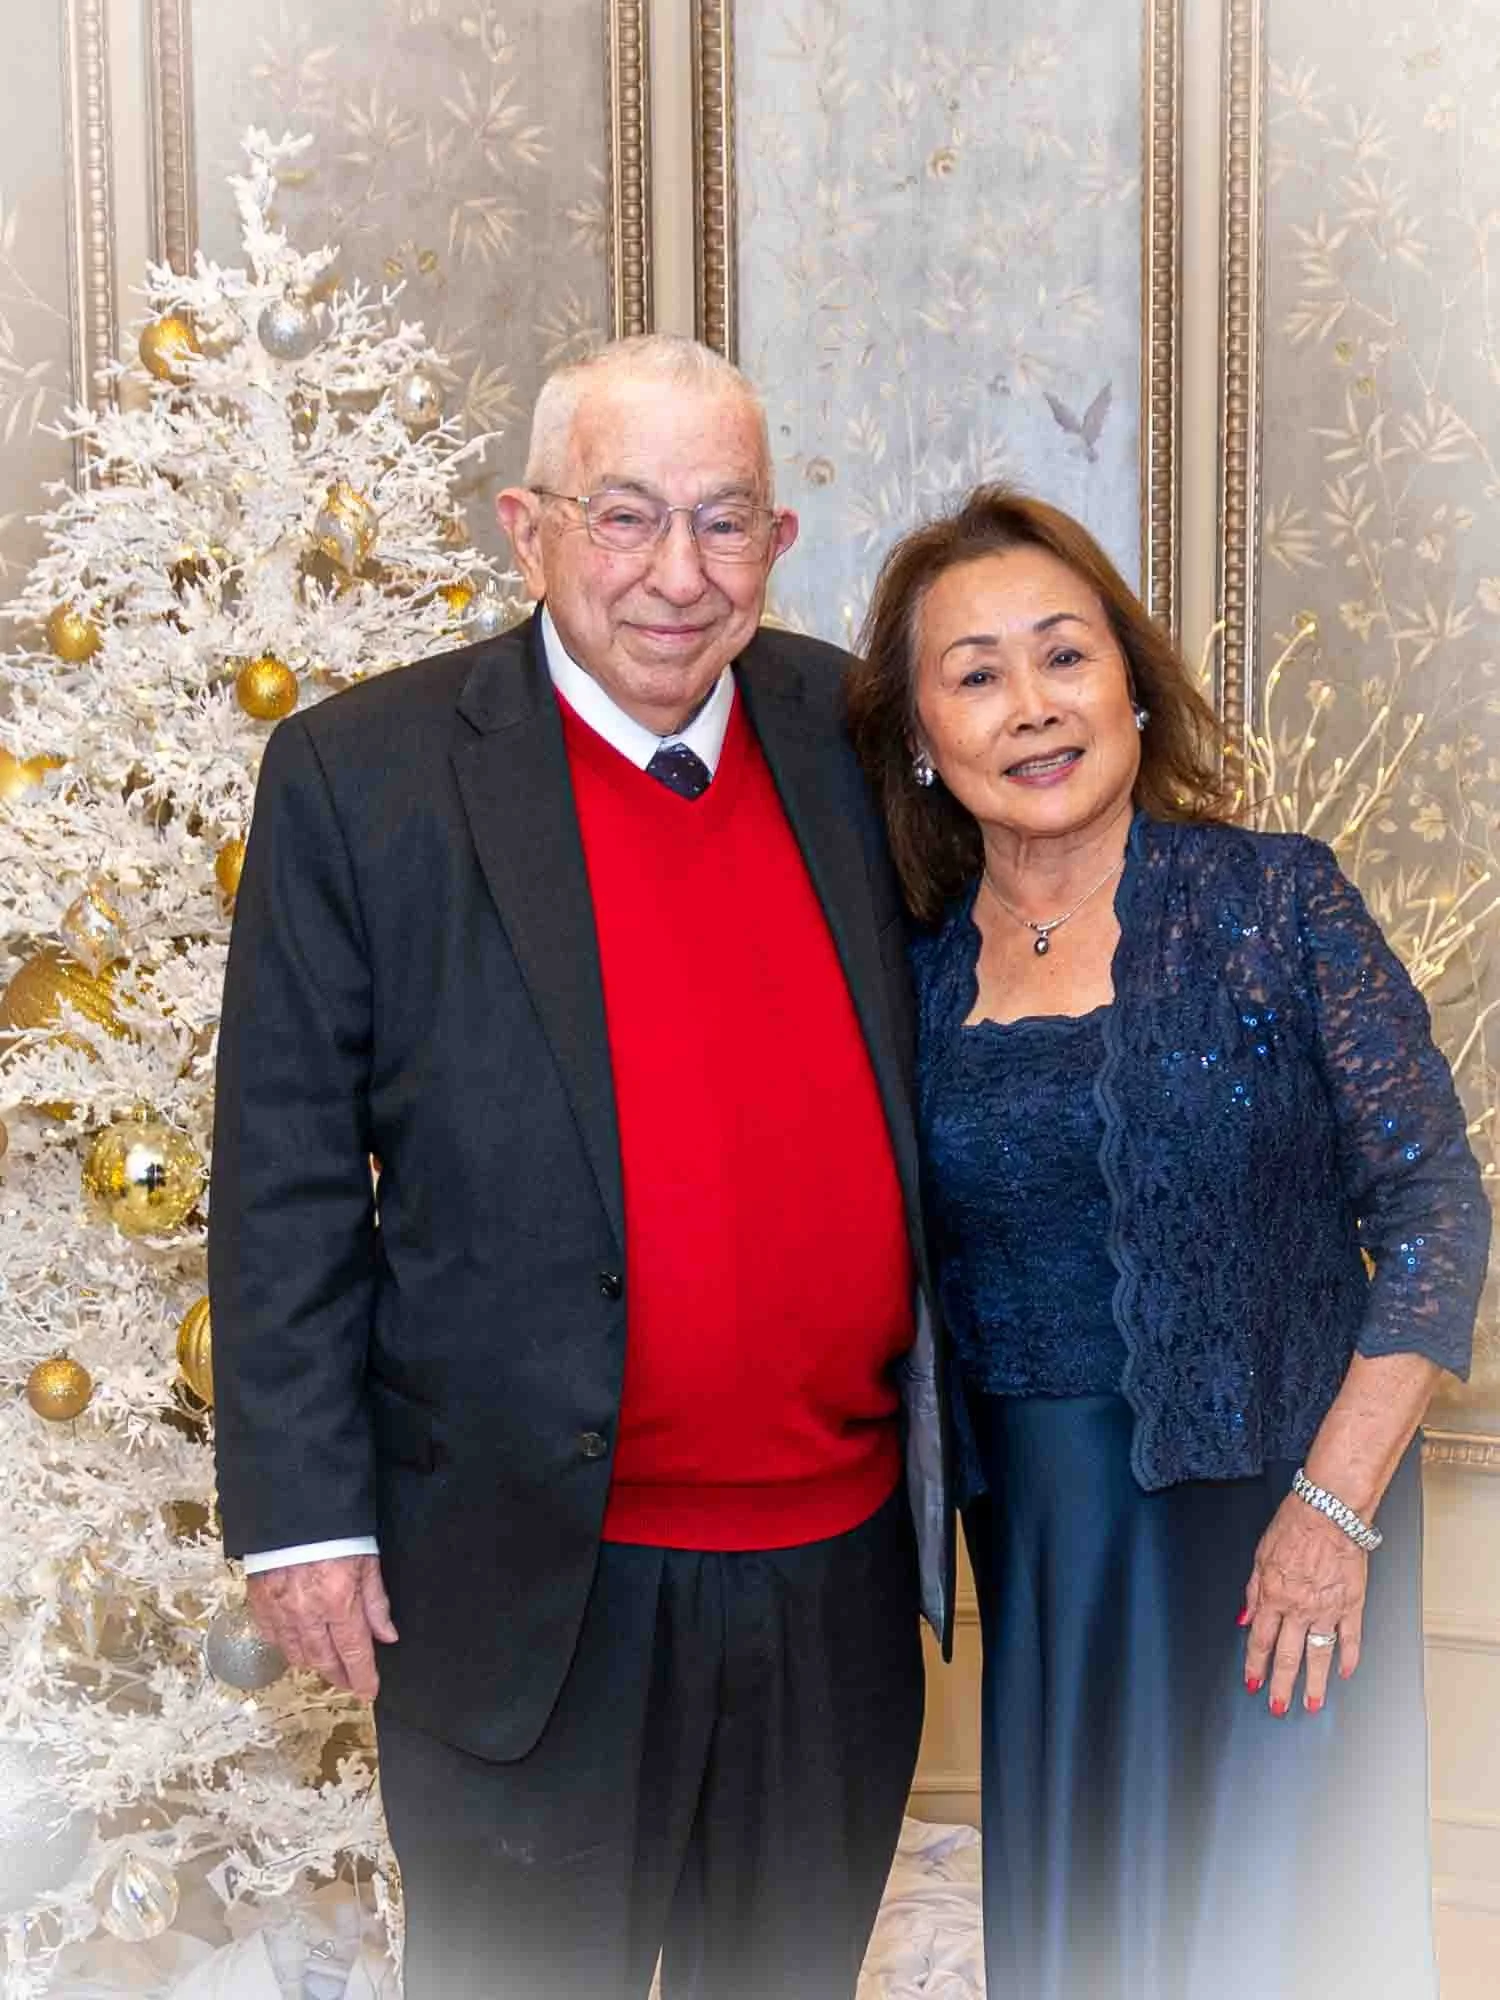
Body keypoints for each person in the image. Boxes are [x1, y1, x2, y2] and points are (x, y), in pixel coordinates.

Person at [209, 334, 954, 2000]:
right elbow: (287, 1171)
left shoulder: (854, 739)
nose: (678, 576)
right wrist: (300, 1515)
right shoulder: (364, 778)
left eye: (724, 521)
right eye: (625, 518)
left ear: (777, 538)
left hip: (828, 1580)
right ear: (526, 528)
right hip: (526, 1577)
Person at [845, 484, 1489, 2000]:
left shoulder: (1279, 904)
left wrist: (1329, 1515)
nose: (1033, 708)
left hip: (1285, 1539)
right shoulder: (910, 975)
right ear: (925, 739)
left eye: (1063, 656)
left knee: (1274, 1939)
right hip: (1054, 1553)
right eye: (978, 674)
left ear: (1130, 681)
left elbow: (1438, 1215)